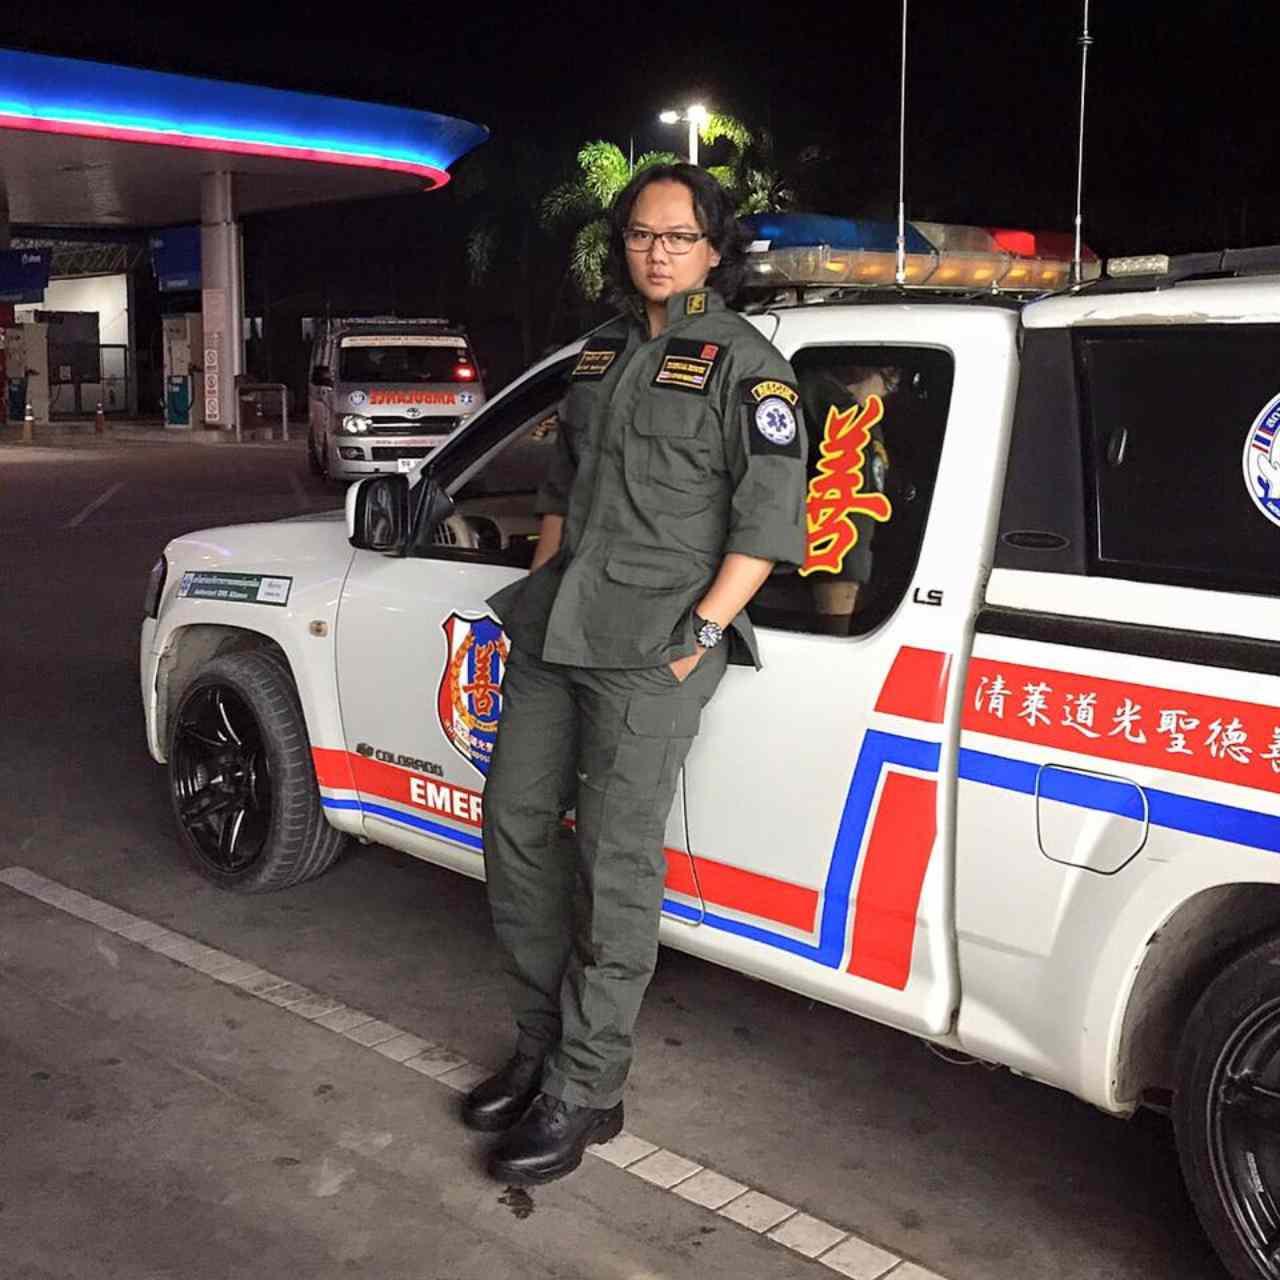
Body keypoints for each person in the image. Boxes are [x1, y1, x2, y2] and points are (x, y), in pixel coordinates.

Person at [467, 164, 809, 1185]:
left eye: (677, 236)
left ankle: (585, 1085)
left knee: (613, 866)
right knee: (513, 825)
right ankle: (540, 1043)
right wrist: (538, 595)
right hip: (558, 632)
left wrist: (699, 634)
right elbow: (561, 491)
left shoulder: (749, 367)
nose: (655, 252)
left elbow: (765, 525)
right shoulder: (602, 351)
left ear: (713, 250)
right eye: (640, 235)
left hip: (654, 647)